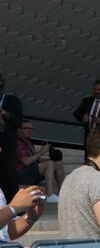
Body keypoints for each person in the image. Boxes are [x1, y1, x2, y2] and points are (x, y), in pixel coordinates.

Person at [16, 120, 64, 202]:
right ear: (19, 130)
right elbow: (26, 162)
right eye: (26, 128)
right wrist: (42, 152)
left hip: (30, 172)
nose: (29, 130)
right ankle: (49, 195)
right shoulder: (17, 143)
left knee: (57, 163)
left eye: (31, 129)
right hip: (20, 175)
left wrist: (51, 159)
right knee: (49, 164)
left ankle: (64, 193)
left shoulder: (29, 143)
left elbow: (36, 160)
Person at [0, 73, 23, 202]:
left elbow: (18, 120)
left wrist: (3, 112)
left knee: (9, 175)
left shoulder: (12, 101)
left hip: (7, 143)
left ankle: (14, 205)